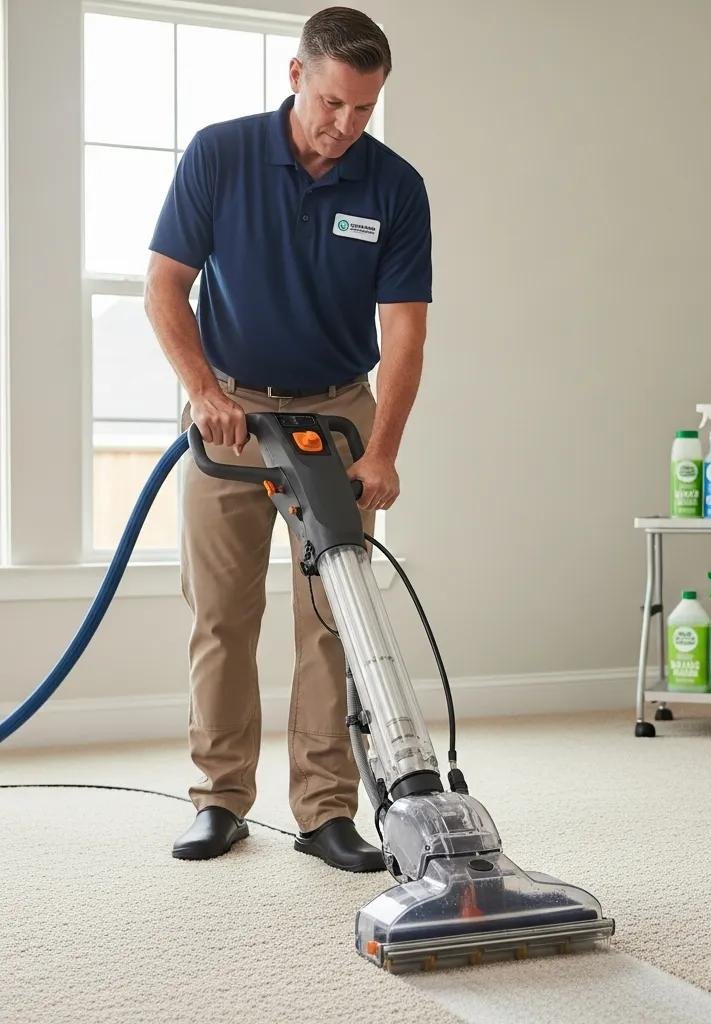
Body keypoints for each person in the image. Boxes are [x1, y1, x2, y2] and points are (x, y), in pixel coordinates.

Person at [144, 6, 431, 869]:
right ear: (296, 75)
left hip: (337, 413)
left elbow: (407, 333)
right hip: (230, 412)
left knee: (334, 620)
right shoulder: (220, 155)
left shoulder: (394, 186)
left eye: (365, 111)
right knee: (223, 618)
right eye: (334, 103)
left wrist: (381, 447)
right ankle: (220, 800)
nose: (345, 127)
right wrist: (202, 392)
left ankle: (325, 812)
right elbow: (165, 289)